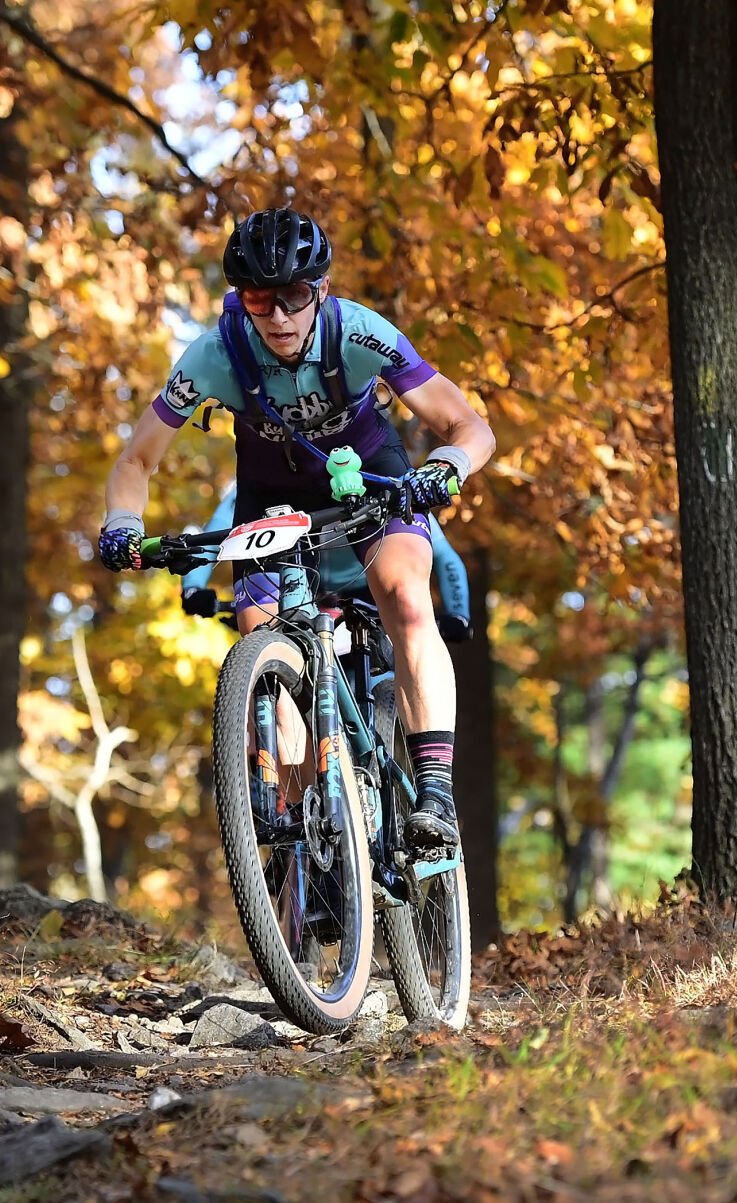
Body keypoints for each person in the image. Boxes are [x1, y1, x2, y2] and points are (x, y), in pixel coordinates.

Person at [97, 206, 495, 848]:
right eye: (260, 299)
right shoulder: (211, 356)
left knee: (401, 594)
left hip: (369, 476)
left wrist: (444, 469)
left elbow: (469, 428)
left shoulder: (362, 335)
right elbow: (137, 459)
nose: (278, 316)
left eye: (294, 296)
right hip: (270, 497)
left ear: (322, 290)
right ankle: (311, 829)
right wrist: (122, 522)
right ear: (240, 298)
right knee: (259, 645)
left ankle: (435, 793)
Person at [179, 480, 474, 644]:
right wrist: (193, 587)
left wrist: (457, 615)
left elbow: (444, 556)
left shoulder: (378, 476)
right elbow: (220, 534)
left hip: (365, 586)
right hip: (302, 585)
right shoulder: (266, 480)